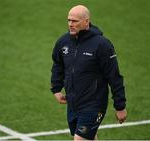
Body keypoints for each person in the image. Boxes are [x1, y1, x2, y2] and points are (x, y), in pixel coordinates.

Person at [50, 5, 127, 140]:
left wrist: (120, 106)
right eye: (69, 20)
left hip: (94, 104)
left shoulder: (102, 44)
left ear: (86, 21)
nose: (70, 24)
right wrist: (56, 89)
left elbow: (114, 76)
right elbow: (58, 65)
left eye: (75, 21)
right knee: (89, 138)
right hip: (73, 103)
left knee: (80, 139)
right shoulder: (63, 42)